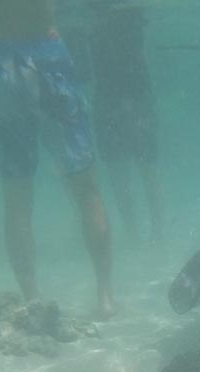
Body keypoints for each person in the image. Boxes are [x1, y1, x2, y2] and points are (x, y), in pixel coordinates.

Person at [0, 0, 115, 320]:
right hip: (46, 54)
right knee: (87, 190)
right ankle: (105, 298)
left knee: (16, 194)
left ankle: (33, 299)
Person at [60, 0, 164, 244]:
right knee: (131, 170)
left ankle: (151, 233)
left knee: (139, 168)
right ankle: (141, 234)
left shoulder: (108, 20)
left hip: (126, 98)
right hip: (119, 99)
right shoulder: (104, 21)